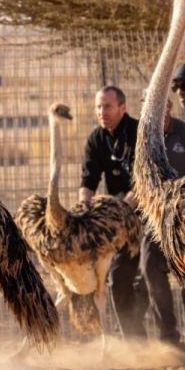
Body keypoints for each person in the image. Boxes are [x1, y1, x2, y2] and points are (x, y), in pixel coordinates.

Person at [140, 97, 185, 354]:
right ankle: (168, 337)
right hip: (156, 219)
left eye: (161, 105)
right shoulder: (143, 138)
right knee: (150, 267)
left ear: (168, 106)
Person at [80, 85, 145, 341]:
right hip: (119, 221)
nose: (101, 112)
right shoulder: (97, 139)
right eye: (98, 107)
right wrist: (85, 211)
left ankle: (171, 338)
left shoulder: (138, 132)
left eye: (107, 106)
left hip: (147, 215)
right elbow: (87, 182)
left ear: (122, 107)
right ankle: (132, 339)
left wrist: (122, 207)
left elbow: (144, 183)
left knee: (151, 274)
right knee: (117, 276)